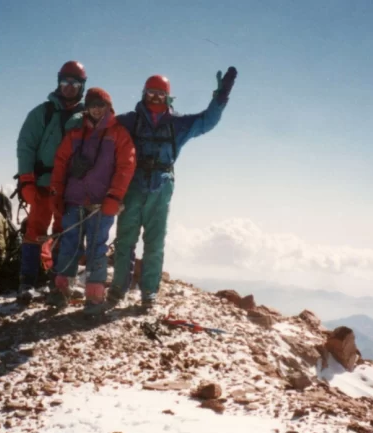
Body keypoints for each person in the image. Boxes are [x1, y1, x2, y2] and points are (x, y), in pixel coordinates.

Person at [108, 67, 238, 306]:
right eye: (150, 94)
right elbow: (104, 127)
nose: (154, 99)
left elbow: (206, 121)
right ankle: (118, 288)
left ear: (168, 97)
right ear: (143, 94)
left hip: (161, 185)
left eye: (159, 95)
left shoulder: (178, 125)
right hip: (133, 185)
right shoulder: (129, 121)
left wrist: (220, 98)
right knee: (126, 239)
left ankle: (149, 292)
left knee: (155, 241)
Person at [48, 88, 136, 316]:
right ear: (86, 108)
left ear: (108, 107)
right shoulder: (75, 135)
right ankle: (61, 291)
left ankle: (94, 297)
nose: (96, 109)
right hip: (74, 200)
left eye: (101, 105)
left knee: (97, 250)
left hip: (101, 204)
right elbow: (60, 163)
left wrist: (114, 197)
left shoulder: (119, 134)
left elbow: (126, 166)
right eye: (92, 105)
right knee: (69, 245)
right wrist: (57, 194)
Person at [16, 61, 87, 303]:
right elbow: (26, 146)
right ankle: (27, 281)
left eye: (74, 83)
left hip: (70, 187)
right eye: (65, 82)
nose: (69, 87)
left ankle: (56, 281)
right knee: (35, 230)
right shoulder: (42, 113)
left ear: (82, 86)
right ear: (58, 82)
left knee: (63, 232)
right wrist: (26, 180)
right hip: (43, 183)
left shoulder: (88, 115)